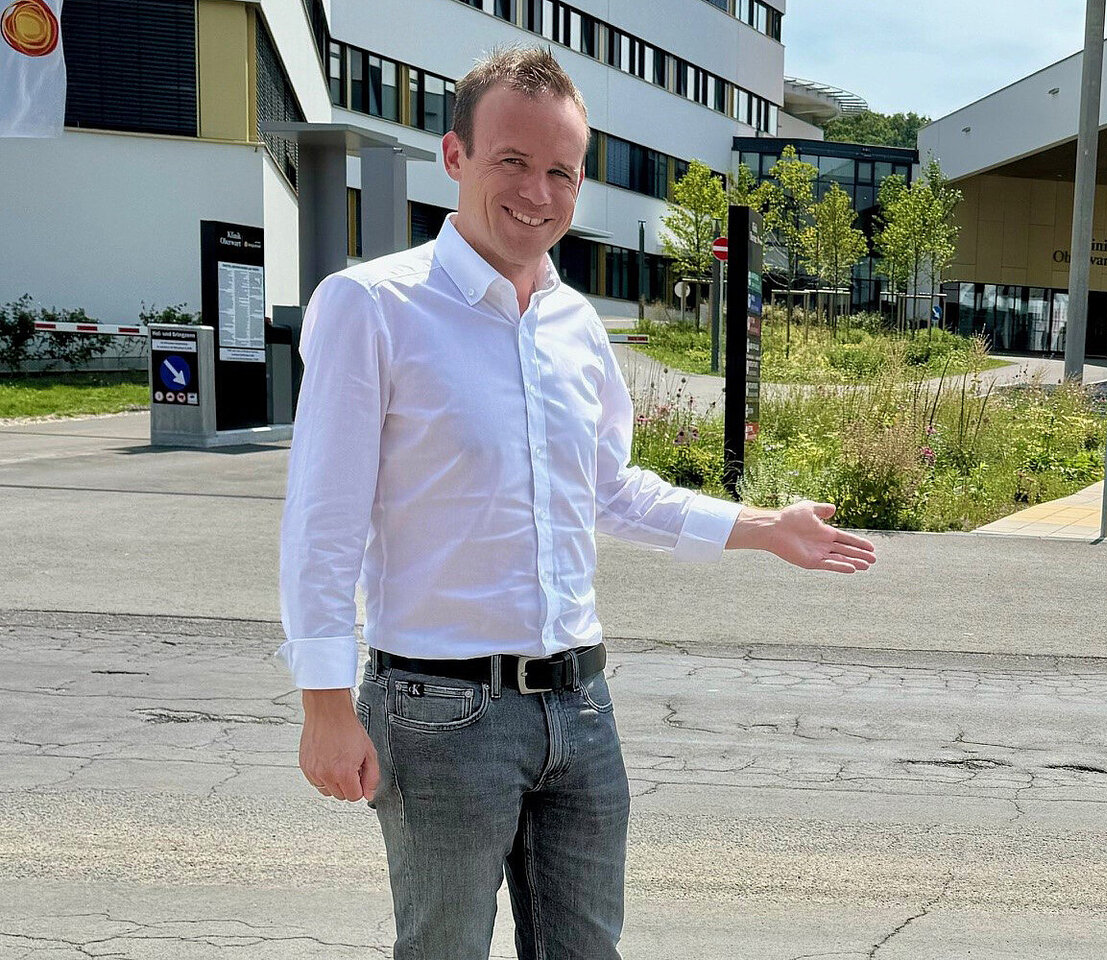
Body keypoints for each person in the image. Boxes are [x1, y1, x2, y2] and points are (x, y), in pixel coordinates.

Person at [281, 48, 879, 960]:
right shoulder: (374, 307)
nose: (538, 192)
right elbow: (322, 521)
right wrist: (324, 702)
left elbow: (610, 491)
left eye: (561, 171)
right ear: (455, 157)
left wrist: (765, 531)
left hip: (580, 706)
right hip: (440, 711)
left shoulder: (576, 325)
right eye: (511, 161)